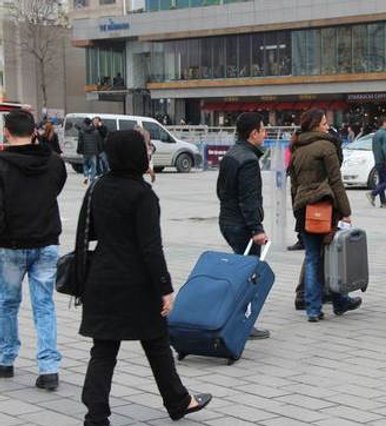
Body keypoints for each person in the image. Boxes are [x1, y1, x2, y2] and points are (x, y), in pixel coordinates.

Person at [79, 130, 211, 425]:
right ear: (136, 155)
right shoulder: (142, 195)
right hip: (136, 282)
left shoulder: (98, 187)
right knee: (156, 343)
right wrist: (165, 288)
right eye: (145, 148)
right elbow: (151, 249)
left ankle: (96, 416)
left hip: (102, 277)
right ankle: (179, 402)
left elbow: (92, 232)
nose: (149, 152)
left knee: (103, 350)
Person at [0, 110, 66, 389]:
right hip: (46, 241)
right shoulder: (54, 163)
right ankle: (49, 368)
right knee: (44, 306)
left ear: (7, 132)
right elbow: (56, 188)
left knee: (7, 302)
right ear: (34, 131)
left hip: (11, 244)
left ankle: (5, 359)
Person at [289, 108, 362, 322]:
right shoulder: (326, 145)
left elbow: (294, 185)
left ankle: (313, 309)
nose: (327, 126)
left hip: (303, 208)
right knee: (332, 256)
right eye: (323, 123)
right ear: (315, 125)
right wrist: (346, 211)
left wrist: (297, 210)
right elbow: (335, 181)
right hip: (324, 207)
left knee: (312, 257)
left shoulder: (297, 148)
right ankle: (340, 301)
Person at [216, 112, 270, 340]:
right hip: (242, 226)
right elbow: (248, 198)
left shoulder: (231, 154)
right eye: (263, 129)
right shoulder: (247, 160)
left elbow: (220, 191)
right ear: (253, 134)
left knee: (242, 271)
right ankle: (242, 321)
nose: (266, 133)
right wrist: (256, 229)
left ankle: (235, 317)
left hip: (228, 220)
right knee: (249, 275)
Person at [366, 116, 386, 208]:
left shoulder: (376, 134)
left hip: (377, 161)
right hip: (383, 161)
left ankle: (383, 202)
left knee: (381, 181)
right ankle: (372, 194)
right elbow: (385, 149)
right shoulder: (384, 134)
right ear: (385, 123)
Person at [78, 117, 101, 184]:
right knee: (93, 165)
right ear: (90, 123)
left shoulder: (82, 131)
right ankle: (92, 178)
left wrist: (79, 150)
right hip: (94, 151)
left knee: (85, 164)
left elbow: (80, 142)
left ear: (84, 123)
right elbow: (98, 142)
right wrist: (99, 150)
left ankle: (86, 175)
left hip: (85, 151)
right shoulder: (96, 131)